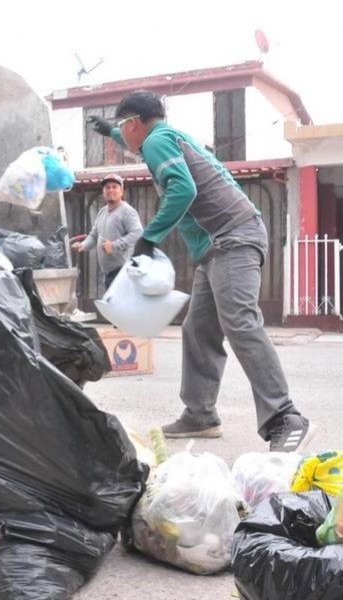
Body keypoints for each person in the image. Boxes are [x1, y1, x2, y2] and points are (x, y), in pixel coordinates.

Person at [88, 90, 315, 453]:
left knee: (240, 321)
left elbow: (183, 189)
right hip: (218, 246)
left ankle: (284, 415)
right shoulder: (163, 136)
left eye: (121, 126)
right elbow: (149, 155)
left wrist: (149, 238)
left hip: (231, 239)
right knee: (198, 329)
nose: (122, 135)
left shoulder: (158, 140)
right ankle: (200, 414)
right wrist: (109, 133)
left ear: (134, 123)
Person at [71, 173, 143, 290]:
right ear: (103, 191)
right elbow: (93, 236)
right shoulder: (102, 212)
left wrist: (114, 246)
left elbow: (138, 233)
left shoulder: (127, 211)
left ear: (122, 191)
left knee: (120, 307)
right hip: (109, 273)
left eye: (114, 187)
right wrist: (82, 245)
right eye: (107, 187)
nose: (110, 190)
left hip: (123, 272)